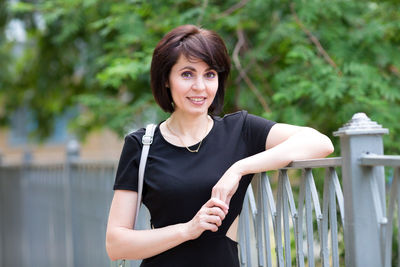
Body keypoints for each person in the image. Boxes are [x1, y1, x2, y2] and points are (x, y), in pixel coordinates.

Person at [106, 24, 334, 266]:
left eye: (210, 74)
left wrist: (238, 169)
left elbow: (319, 142)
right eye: (187, 74)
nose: (200, 87)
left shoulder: (240, 131)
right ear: (165, 80)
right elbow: (116, 244)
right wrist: (188, 230)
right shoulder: (142, 145)